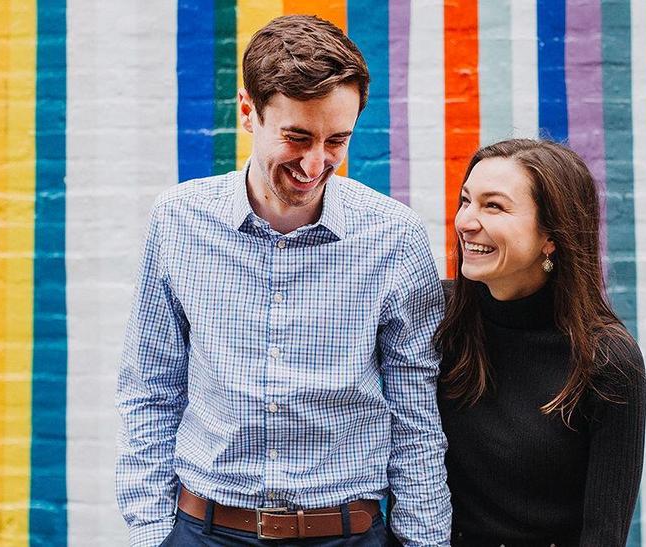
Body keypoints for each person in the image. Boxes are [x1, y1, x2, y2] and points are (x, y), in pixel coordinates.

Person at [116, 15, 450, 546]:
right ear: (248, 111)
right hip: (205, 532)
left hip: (348, 534)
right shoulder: (178, 221)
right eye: (297, 137)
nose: (315, 164)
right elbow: (149, 389)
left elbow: (417, 415)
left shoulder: (395, 237)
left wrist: (424, 541)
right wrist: (153, 533)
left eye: (336, 140)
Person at [435, 139, 646, 546]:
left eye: (493, 206)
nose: (465, 221)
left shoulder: (607, 360)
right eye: (466, 201)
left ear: (551, 235)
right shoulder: (437, 317)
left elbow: (603, 533)